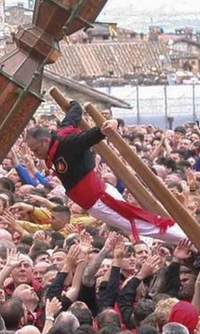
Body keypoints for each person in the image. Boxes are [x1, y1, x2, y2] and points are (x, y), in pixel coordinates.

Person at [24, 103, 186, 244]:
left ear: (45, 141)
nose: (36, 154)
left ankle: (190, 241)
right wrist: (73, 103)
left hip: (100, 199)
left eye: (36, 149)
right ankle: (184, 238)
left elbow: (92, 135)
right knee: (138, 222)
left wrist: (112, 123)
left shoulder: (67, 143)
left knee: (138, 223)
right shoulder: (60, 135)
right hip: (95, 200)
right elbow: (74, 112)